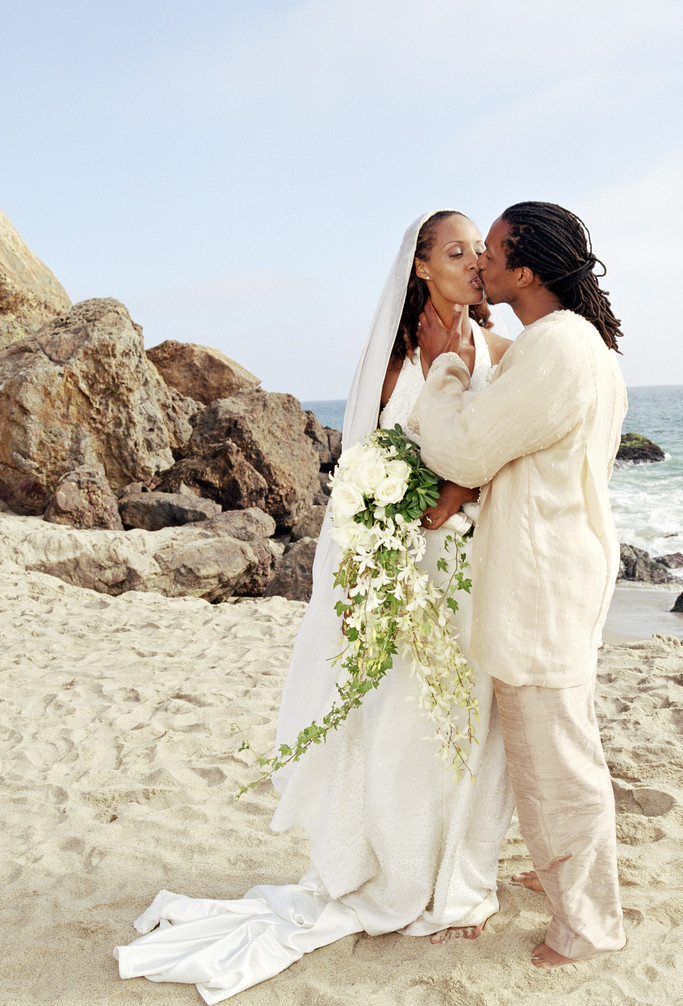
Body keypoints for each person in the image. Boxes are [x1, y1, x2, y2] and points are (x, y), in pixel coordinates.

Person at [114, 210, 514, 1003]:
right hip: (404, 564)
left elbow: (510, 450)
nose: (475, 263)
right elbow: (368, 466)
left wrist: (467, 491)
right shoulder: (394, 362)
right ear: (422, 268)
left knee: (472, 714)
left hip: (475, 561)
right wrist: (384, 550)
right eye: (457, 251)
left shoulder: (502, 353)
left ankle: (460, 876)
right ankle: (400, 869)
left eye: (481, 252)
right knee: (403, 716)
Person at [411, 201, 629, 969]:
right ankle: (560, 871)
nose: (481, 264)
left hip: (544, 575)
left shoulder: (556, 350)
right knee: (555, 740)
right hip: (560, 565)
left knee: (557, 751)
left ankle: (587, 924)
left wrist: (443, 380)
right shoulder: (575, 346)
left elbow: (469, 450)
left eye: (495, 252)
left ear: (528, 270)